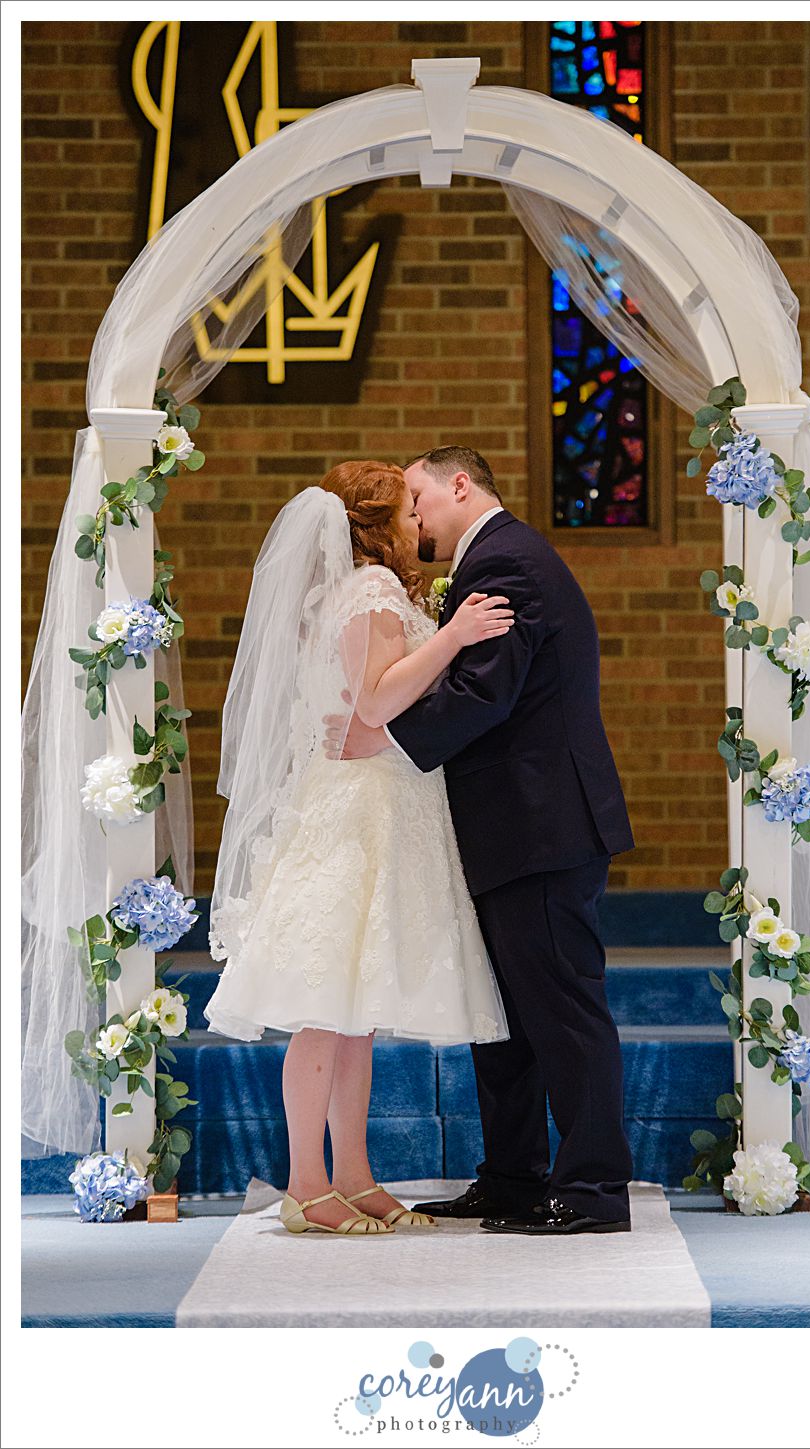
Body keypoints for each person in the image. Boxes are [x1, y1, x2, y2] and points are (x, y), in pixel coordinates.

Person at [327, 446, 636, 1235]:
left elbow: (483, 693)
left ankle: (593, 1188)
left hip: (542, 822)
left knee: (561, 1009)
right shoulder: (493, 559)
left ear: (460, 485)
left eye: (420, 495)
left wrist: (380, 737)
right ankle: (512, 1176)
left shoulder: (508, 561)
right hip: (512, 825)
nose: (414, 514)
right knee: (508, 1017)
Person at [205, 460, 514, 1237]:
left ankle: (353, 1175)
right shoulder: (371, 588)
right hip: (357, 810)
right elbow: (375, 701)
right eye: (409, 509)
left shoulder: (363, 590)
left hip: (381, 800)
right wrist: (454, 636)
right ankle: (305, 1184)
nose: (420, 520)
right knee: (324, 1004)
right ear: (380, 525)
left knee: (355, 1013)